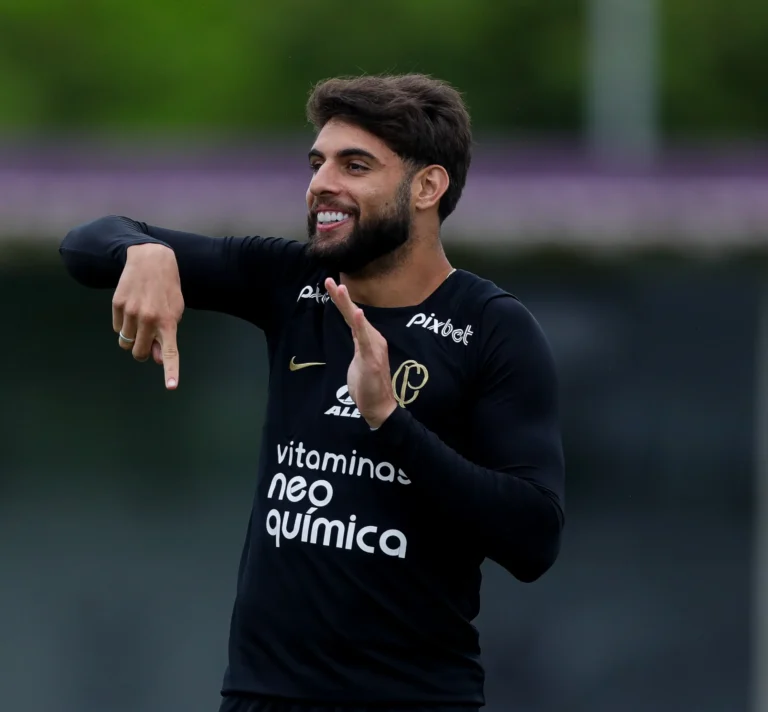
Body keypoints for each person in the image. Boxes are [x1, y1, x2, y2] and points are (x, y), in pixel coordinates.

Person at [59, 73, 565, 712]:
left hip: (412, 700)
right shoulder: (290, 279)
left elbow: (533, 538)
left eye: (355, 165)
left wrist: (389, 420)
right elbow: (84, 244)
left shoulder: (492, 328)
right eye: (317, 163)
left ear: (427, 187)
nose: (322, 183)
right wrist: (145, 251)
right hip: (262, 696)